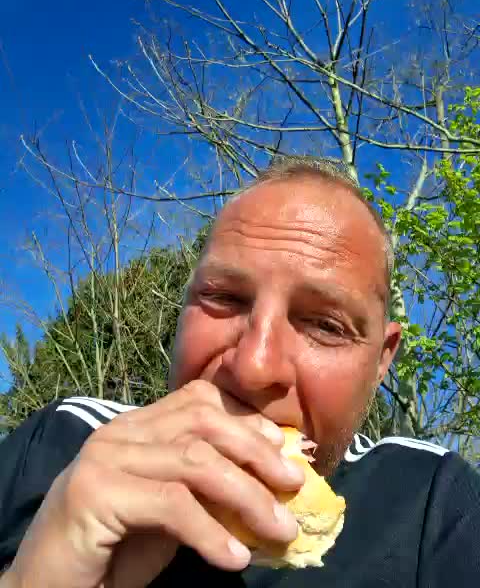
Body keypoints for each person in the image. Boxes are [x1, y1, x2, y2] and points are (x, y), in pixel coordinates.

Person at [0, 157, 479, 588]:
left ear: (381, 361)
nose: (253, 367)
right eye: (224, 298)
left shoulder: (434, 505)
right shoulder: (58, 444)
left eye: (326, 325)